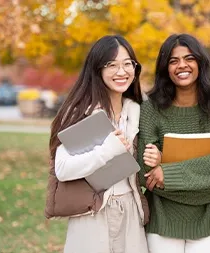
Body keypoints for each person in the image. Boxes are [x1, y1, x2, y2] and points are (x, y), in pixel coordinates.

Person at [45, 35, 149, 253]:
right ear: (97, 69)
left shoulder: (139, 110)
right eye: (112, 65)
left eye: (127, 63)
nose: (122, 72)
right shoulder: (81, 112)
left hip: (131, 210)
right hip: (92, 215)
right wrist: (108, 149)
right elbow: (62, 169)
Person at [137, 33, 210, 253]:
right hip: (162, 221)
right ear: (165, 68)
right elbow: (145, 174)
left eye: (189, 58)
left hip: (208, 221)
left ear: (200, 63)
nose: (181, 65)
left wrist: (168, 173)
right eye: (173, 61)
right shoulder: (150, 109)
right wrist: (202, 179)